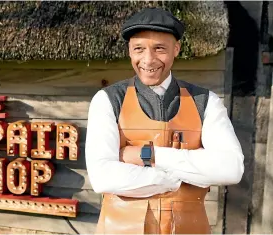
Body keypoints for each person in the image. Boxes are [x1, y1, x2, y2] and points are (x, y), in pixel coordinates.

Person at [85, 7, 244, 234]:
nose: (148, 60)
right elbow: (102, 177)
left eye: (159, 49)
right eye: (138, 49)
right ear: (130, 51)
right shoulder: (108, 100)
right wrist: (176, 178)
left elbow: (231, 168)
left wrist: (147, 156)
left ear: (176, 49)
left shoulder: (206, 101)